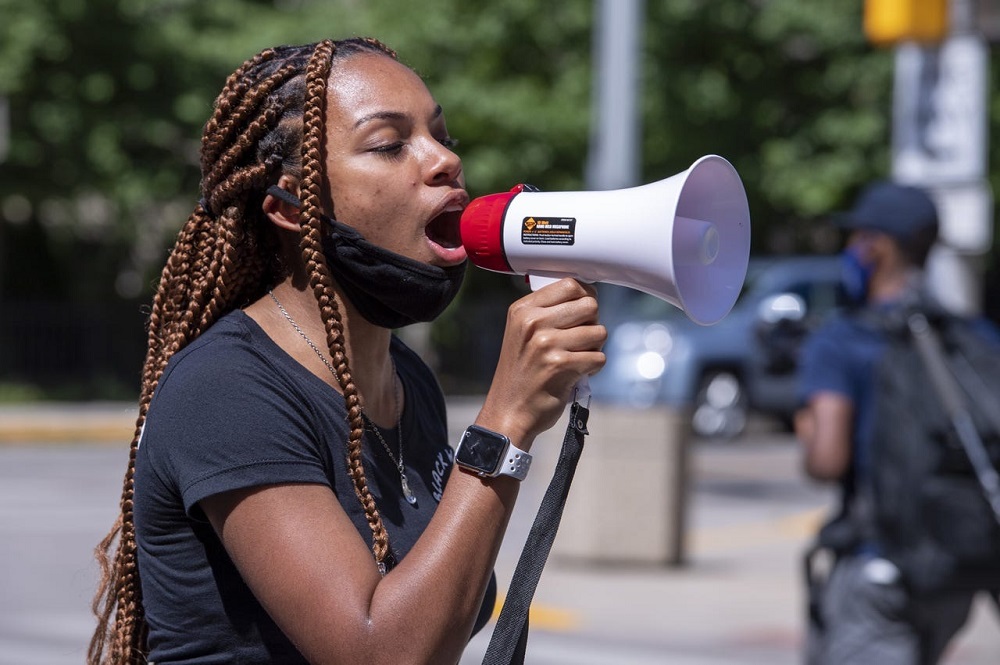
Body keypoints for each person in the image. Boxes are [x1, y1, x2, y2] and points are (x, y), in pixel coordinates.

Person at [88, 37, 606, 665]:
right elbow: (379, 653)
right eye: (389, 144)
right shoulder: (227, 388)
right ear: (289, 206)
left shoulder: (408, 381)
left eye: (442, 136)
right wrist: (506, 422)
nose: (444, 160)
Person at [794, 181, 996, 664]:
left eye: (856, 236)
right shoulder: (972, 334)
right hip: (956, 573)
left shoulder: (842, 340)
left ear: (877, 246)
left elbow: (826, 461)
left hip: (880, 568)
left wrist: (805, 424)